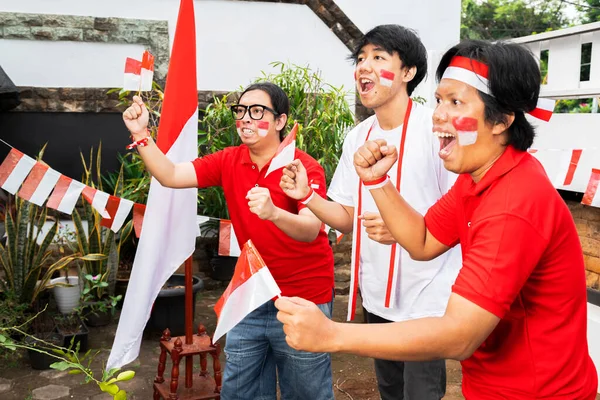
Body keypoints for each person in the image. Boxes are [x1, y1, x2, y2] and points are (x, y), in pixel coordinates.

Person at [275, 39, 599, 399]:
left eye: (456, 102)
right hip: (492, 384)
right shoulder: (477, 178)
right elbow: (424, 240)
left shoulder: (514, 202)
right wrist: (377, 181)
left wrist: (331, 335)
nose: (438, 114)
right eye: (440, 99)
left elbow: (460, 336)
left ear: (503, 120)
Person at [279, 24, 460, 400]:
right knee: (390, 391)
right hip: (377, 293)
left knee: (421, 394)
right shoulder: (356, 136)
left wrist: (410, 229)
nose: (364, 67)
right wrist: (308, 197)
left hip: (427, 294)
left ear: (408, 72)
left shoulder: (436, 129)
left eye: (379, 57)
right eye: (360, 59)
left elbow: (464, 206)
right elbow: (347, 215)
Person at [122, 82, 335, 400]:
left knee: (306, 392)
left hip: (302, 297)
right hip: (250, 294)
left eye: (257, 111)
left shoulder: (302, 168)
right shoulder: (229, 160)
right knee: (240, 390)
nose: (246, 119)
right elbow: (170, 175)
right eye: (241, 111)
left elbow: (309, 229)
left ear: (280, 121)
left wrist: (274, 212)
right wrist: (141, 134)